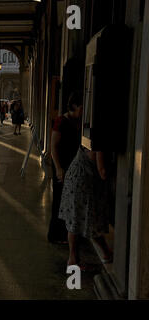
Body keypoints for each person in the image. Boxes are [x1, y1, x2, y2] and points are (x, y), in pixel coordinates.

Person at [59, 147, 113, 269]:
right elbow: (102, 171)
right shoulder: (100, 139)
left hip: (75, 177)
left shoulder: (90, 133)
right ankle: (75, 259)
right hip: (83, 181)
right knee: (90, 221)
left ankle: (75, 258)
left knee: (75, 220)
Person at [47, 92, 83, 244]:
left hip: (73, 166)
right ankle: (56, 235)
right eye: (81, 107)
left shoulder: (78, 122)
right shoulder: (61, 121)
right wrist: (58, 168)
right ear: (74, 106)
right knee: (59, 201)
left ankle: (67, 233)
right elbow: (53, 147)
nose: (83, 111)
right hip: (62, 166)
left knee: (69, 202)